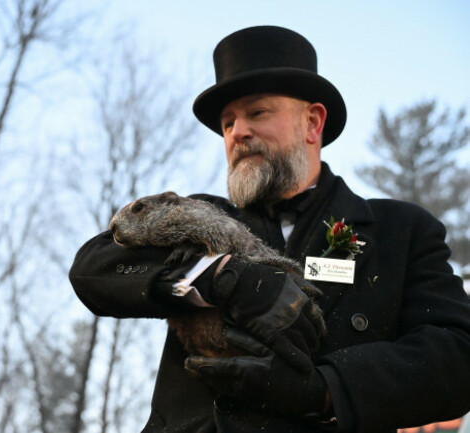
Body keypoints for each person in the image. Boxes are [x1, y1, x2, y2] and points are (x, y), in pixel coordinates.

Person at [68, 26, 470, 432]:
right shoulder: (202, 214)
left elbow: (458, 355)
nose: (238, 132)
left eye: (257, 112)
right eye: (227, 124)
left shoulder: (399, 230)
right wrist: (222, 279)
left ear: (312, 123)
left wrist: (325, 389)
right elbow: (93, 270)